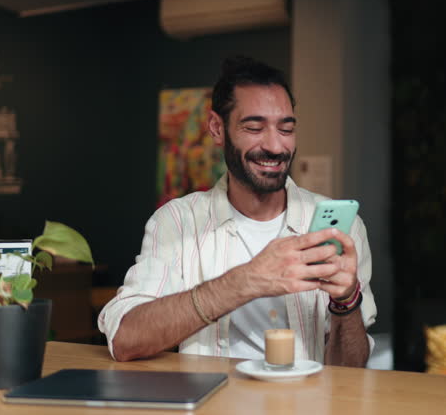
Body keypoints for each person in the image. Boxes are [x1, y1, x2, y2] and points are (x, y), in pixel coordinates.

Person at [98, 56, 376, 367]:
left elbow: (350, 372)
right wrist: (247, 280)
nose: (275, 146)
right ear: (217, 128)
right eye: (254, 127)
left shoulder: (343, 230)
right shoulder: (176, 221)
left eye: (286, 129)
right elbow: (126, 340)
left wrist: (347, 302)